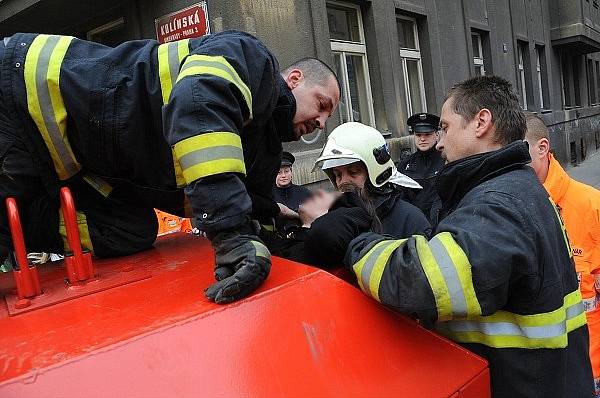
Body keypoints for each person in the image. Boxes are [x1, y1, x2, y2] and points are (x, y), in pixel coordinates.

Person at [0, 31, 340, 304]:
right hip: (24, 93)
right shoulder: (252, 59)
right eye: (322, 105)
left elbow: (254, 212)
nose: (321, 122)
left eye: (328, 118)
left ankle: (20, 219)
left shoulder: (261, 151)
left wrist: (293, 237)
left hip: (70, 163)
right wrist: (231, 235)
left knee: (129, 231)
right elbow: (199, 104)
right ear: (294, 79)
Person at [342, 76, 593, 397]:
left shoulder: (500, 202)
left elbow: (424, 282)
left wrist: (358, 244)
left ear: (481, 122)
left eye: (445, 128)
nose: (440, 142)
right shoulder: (518, 187)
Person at [525, 112, 600, 396]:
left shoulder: (591, 206)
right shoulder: (507, 213)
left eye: (517, 152)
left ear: (542, 148)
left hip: (590, 374)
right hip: (536, 379)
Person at [314, 122, 431, 238]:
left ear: (377, 172)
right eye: (338, 175)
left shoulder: (410, 220)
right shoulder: (334, 221)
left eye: (353, 172)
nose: (343, 181)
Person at [397, 112, 444, 221]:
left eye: (427, 135)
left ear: (436, 135)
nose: (422, 139)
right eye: (418, 135)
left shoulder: (446, 161)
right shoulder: (405, 165)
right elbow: (401, 200)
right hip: (413, 223)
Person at [273, 151, 312, 231]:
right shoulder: (268, 196)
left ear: (291, 173)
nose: (283, 176)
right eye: (279, 172)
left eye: (286, 171)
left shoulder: (305, 193)